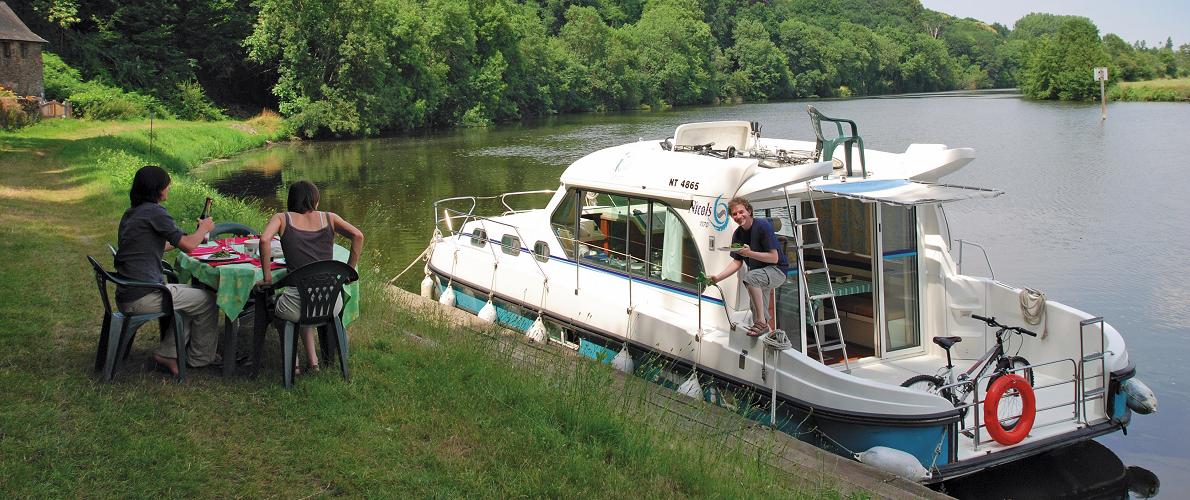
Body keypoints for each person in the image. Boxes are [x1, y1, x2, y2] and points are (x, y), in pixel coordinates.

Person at [116, 165, 220, 375]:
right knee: (208, 300)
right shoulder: (155, 212)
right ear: (157, 189)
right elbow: (188, 246)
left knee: (192, 297)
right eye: (167, 185)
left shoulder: (133, 213)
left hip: (128, 292)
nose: (169, 189)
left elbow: (160, 245)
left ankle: (169, 353)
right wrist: (204, 229)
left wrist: (191, 235)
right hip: (142, 296)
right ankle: (200, 358)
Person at [259, 181, 363, 374]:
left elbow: (264, 240)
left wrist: (267, 278)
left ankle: (294, 364)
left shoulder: (282, 218)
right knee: (306, 296)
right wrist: (350, 270)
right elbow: (358, 235)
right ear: (314, 199)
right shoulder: (329, 218)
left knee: (288, 303)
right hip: (331, 304)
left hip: (297, 304)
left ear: (291, 200)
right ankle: (314, 362)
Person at [704, 197, 789, 337]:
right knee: (755, 308)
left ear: (749, 211)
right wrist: (717, 278)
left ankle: (762, 321)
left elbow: (774, 258)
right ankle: (765, 332)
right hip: (759, 275)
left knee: (750, 277)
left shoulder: (762, 226)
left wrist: (750, 253)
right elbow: (737, 263)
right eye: (734, 214)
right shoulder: (737, 235)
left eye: (741, 212)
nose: (738, 216)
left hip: (777, 270)